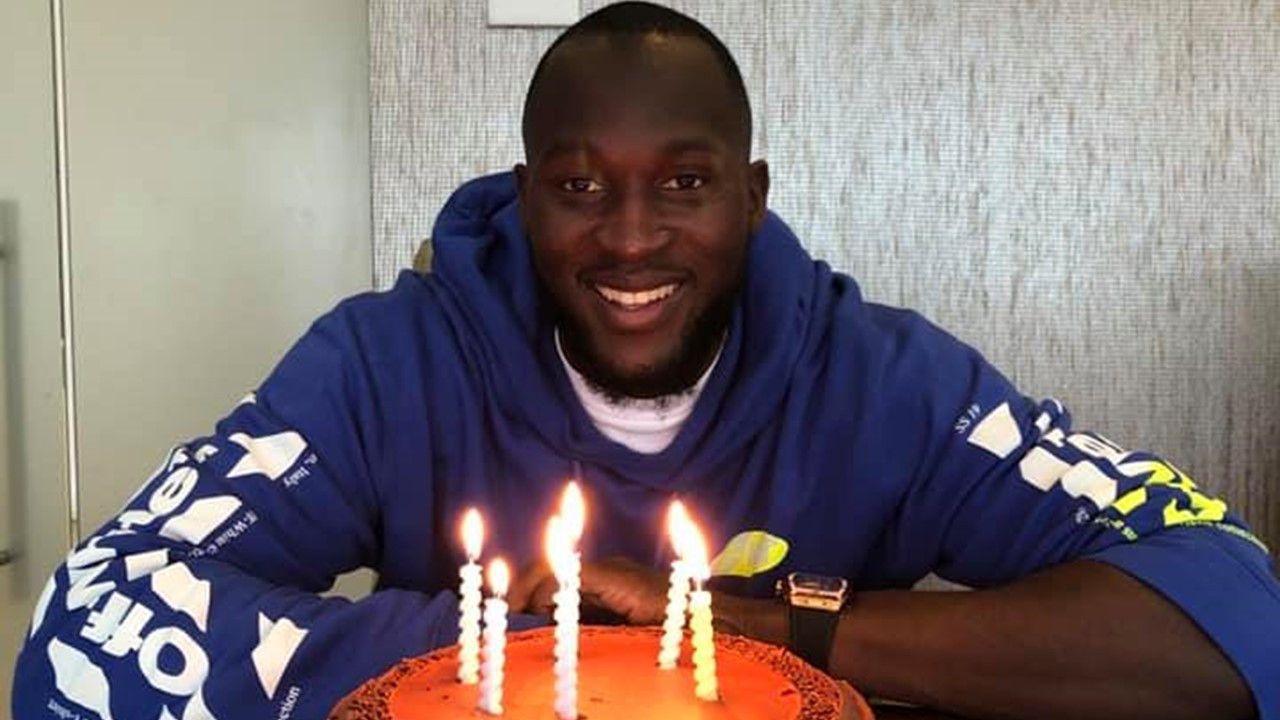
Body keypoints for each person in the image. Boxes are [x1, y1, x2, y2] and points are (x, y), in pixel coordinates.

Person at [12, 3, 1279, 719]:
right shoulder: (386, 365)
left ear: (751, 196)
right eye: (578, 186)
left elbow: (1237, 611)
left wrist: (758, 631)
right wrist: (507, 657)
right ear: (524, 196)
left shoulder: (882, 385)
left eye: (682, 183)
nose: (627, 239)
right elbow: (88, 616)